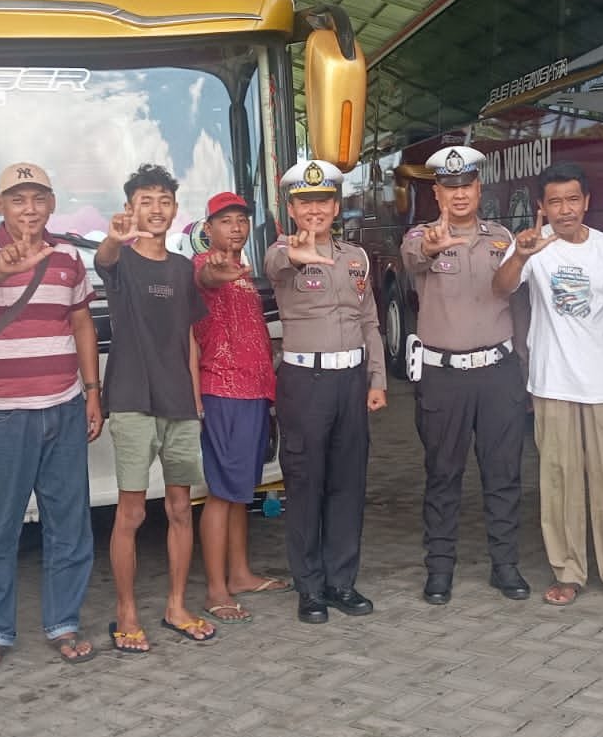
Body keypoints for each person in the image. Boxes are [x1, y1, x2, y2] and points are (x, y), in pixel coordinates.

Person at [0, 162, 102, 671]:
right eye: (18, 199)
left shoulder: (69, 256)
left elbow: (81, 324)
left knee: (70, 526)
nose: (30, 209)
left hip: (63, 407)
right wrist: (7, 263)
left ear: (52, 203)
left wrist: (92, 392)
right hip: (2, 415)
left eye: (39, 198)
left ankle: (63, 623)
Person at [492, 162, 603, 611]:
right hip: (553, 383)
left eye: (573, 199)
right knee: (559, 481)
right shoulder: (532, 245)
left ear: (587, 202)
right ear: (541, 205)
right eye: (555, 201)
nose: (565, 210)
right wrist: (520, 256)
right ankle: (568, 572)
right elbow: (500, 288)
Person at [400, 145, 530, 605]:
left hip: (497, 372)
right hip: (444, 376)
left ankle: (505, 565)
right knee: (442, 474)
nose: (459, 195)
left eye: (467, 186)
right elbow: (414, 259)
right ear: (437, 193)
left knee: (503, 473)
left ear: (479, 189)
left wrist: (524, 366)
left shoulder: (501, 238)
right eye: (449, 187)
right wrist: (432, 248)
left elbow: (515, 297)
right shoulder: (420, 236)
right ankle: (439, 569)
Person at [94, 164, 216, 651]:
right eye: (145, 201)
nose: (156, 209)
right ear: (130, 208)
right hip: (131, 401)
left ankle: (176, 606)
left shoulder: (183, 270)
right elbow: (103, 258)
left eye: (164, 200)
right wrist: (113, 238)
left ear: (175, 208)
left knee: (181, 507)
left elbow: (188, 338)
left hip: (179, 403)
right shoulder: (120, 260)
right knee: (131, 513)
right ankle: (125, 612)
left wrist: (195, 398)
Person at [265, 159, 389, 624]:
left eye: (322, 201)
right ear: (292, 209)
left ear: (336, 207)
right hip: (306, 384)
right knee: (305, 485)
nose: (314, 210)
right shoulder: (281, 253)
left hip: (351, 381)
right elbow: (278, 265)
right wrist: (299, 255)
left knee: (347, 483)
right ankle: (310, 588)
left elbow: (370, 321)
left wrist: (377, 378)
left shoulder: (356, 257)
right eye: (304, 203)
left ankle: (341, 582)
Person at [193, 191, 290, 624]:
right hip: (224, 391)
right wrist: (216, 268)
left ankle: (240, 574)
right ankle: (216, 589)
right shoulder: (204, 265)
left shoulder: (246, 272)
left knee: (240, 491)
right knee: (221, 492)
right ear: (208, 228)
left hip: (253, 392)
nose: (235, 227)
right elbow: (207, 278)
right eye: (225, 220)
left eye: (241, 220)